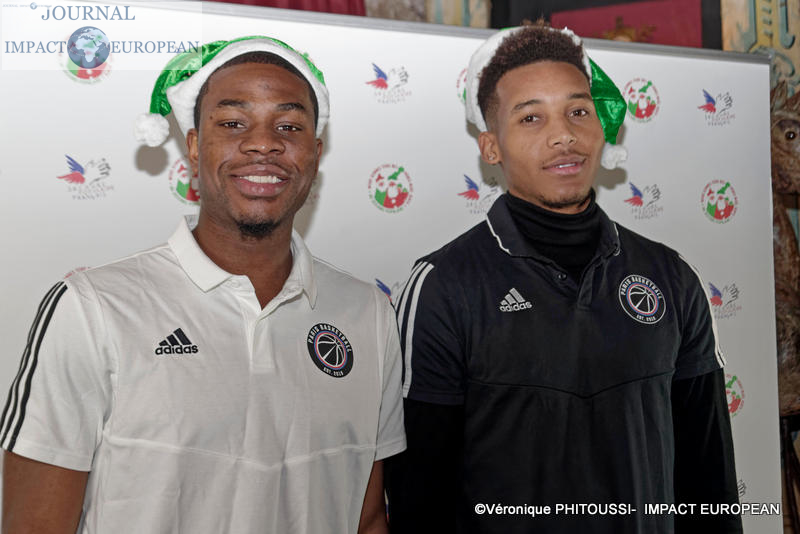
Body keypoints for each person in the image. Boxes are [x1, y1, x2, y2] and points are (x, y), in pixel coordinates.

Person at [1, 36, 405, 533]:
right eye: (233, 123)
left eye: (289, 126)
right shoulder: (93, 309)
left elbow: (367, 518)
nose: (263, 143)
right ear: (193, 147)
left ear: (315, 153)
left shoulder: (369, 315)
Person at [385, 23, 741, 533]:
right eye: (531, 117)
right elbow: (420, 499)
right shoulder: (443, 286)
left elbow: (709, 480)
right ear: (491, 147)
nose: (563, 136)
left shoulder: (672, 277)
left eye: (578, 112)